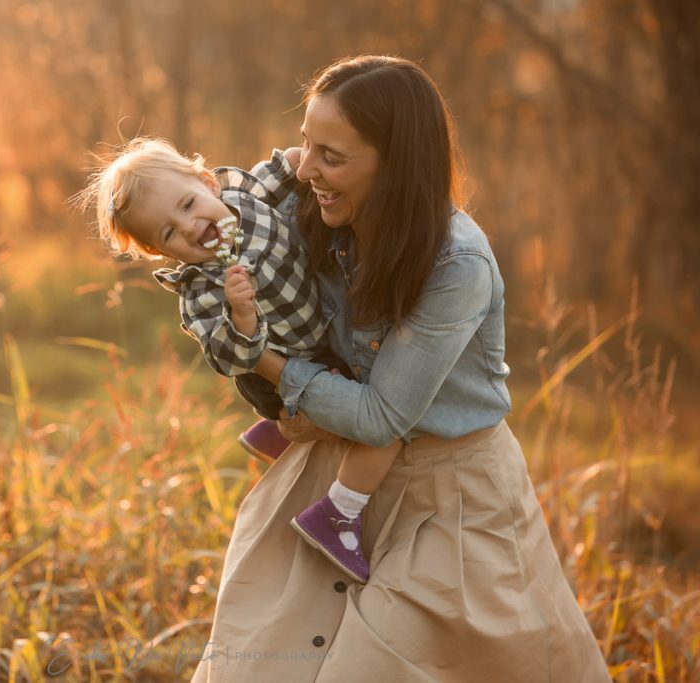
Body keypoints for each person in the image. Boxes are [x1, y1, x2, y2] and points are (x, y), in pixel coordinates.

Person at [191, 55, 610, 681]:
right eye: (306, 144)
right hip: (331, 484)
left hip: (451, 502)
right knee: (261, 664)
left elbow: (382, 415)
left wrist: (268, 363)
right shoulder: (314, 214)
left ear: (397, 163)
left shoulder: (455, 266)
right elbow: (202, 223)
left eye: (331, 156)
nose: (306, 170)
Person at [77, 137, 401, 583]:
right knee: (377, 420)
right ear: (161, 252)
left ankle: (275, 433)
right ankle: (339, 513)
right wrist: (242, 315)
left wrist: (310, 154)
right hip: (279, 364)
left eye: (189, 204)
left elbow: (285, 167)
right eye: (169, 232)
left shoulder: (242, 196)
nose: (190, 226)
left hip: (319, 326)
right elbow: (231, 357)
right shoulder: (201, 290)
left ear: (209, 183)